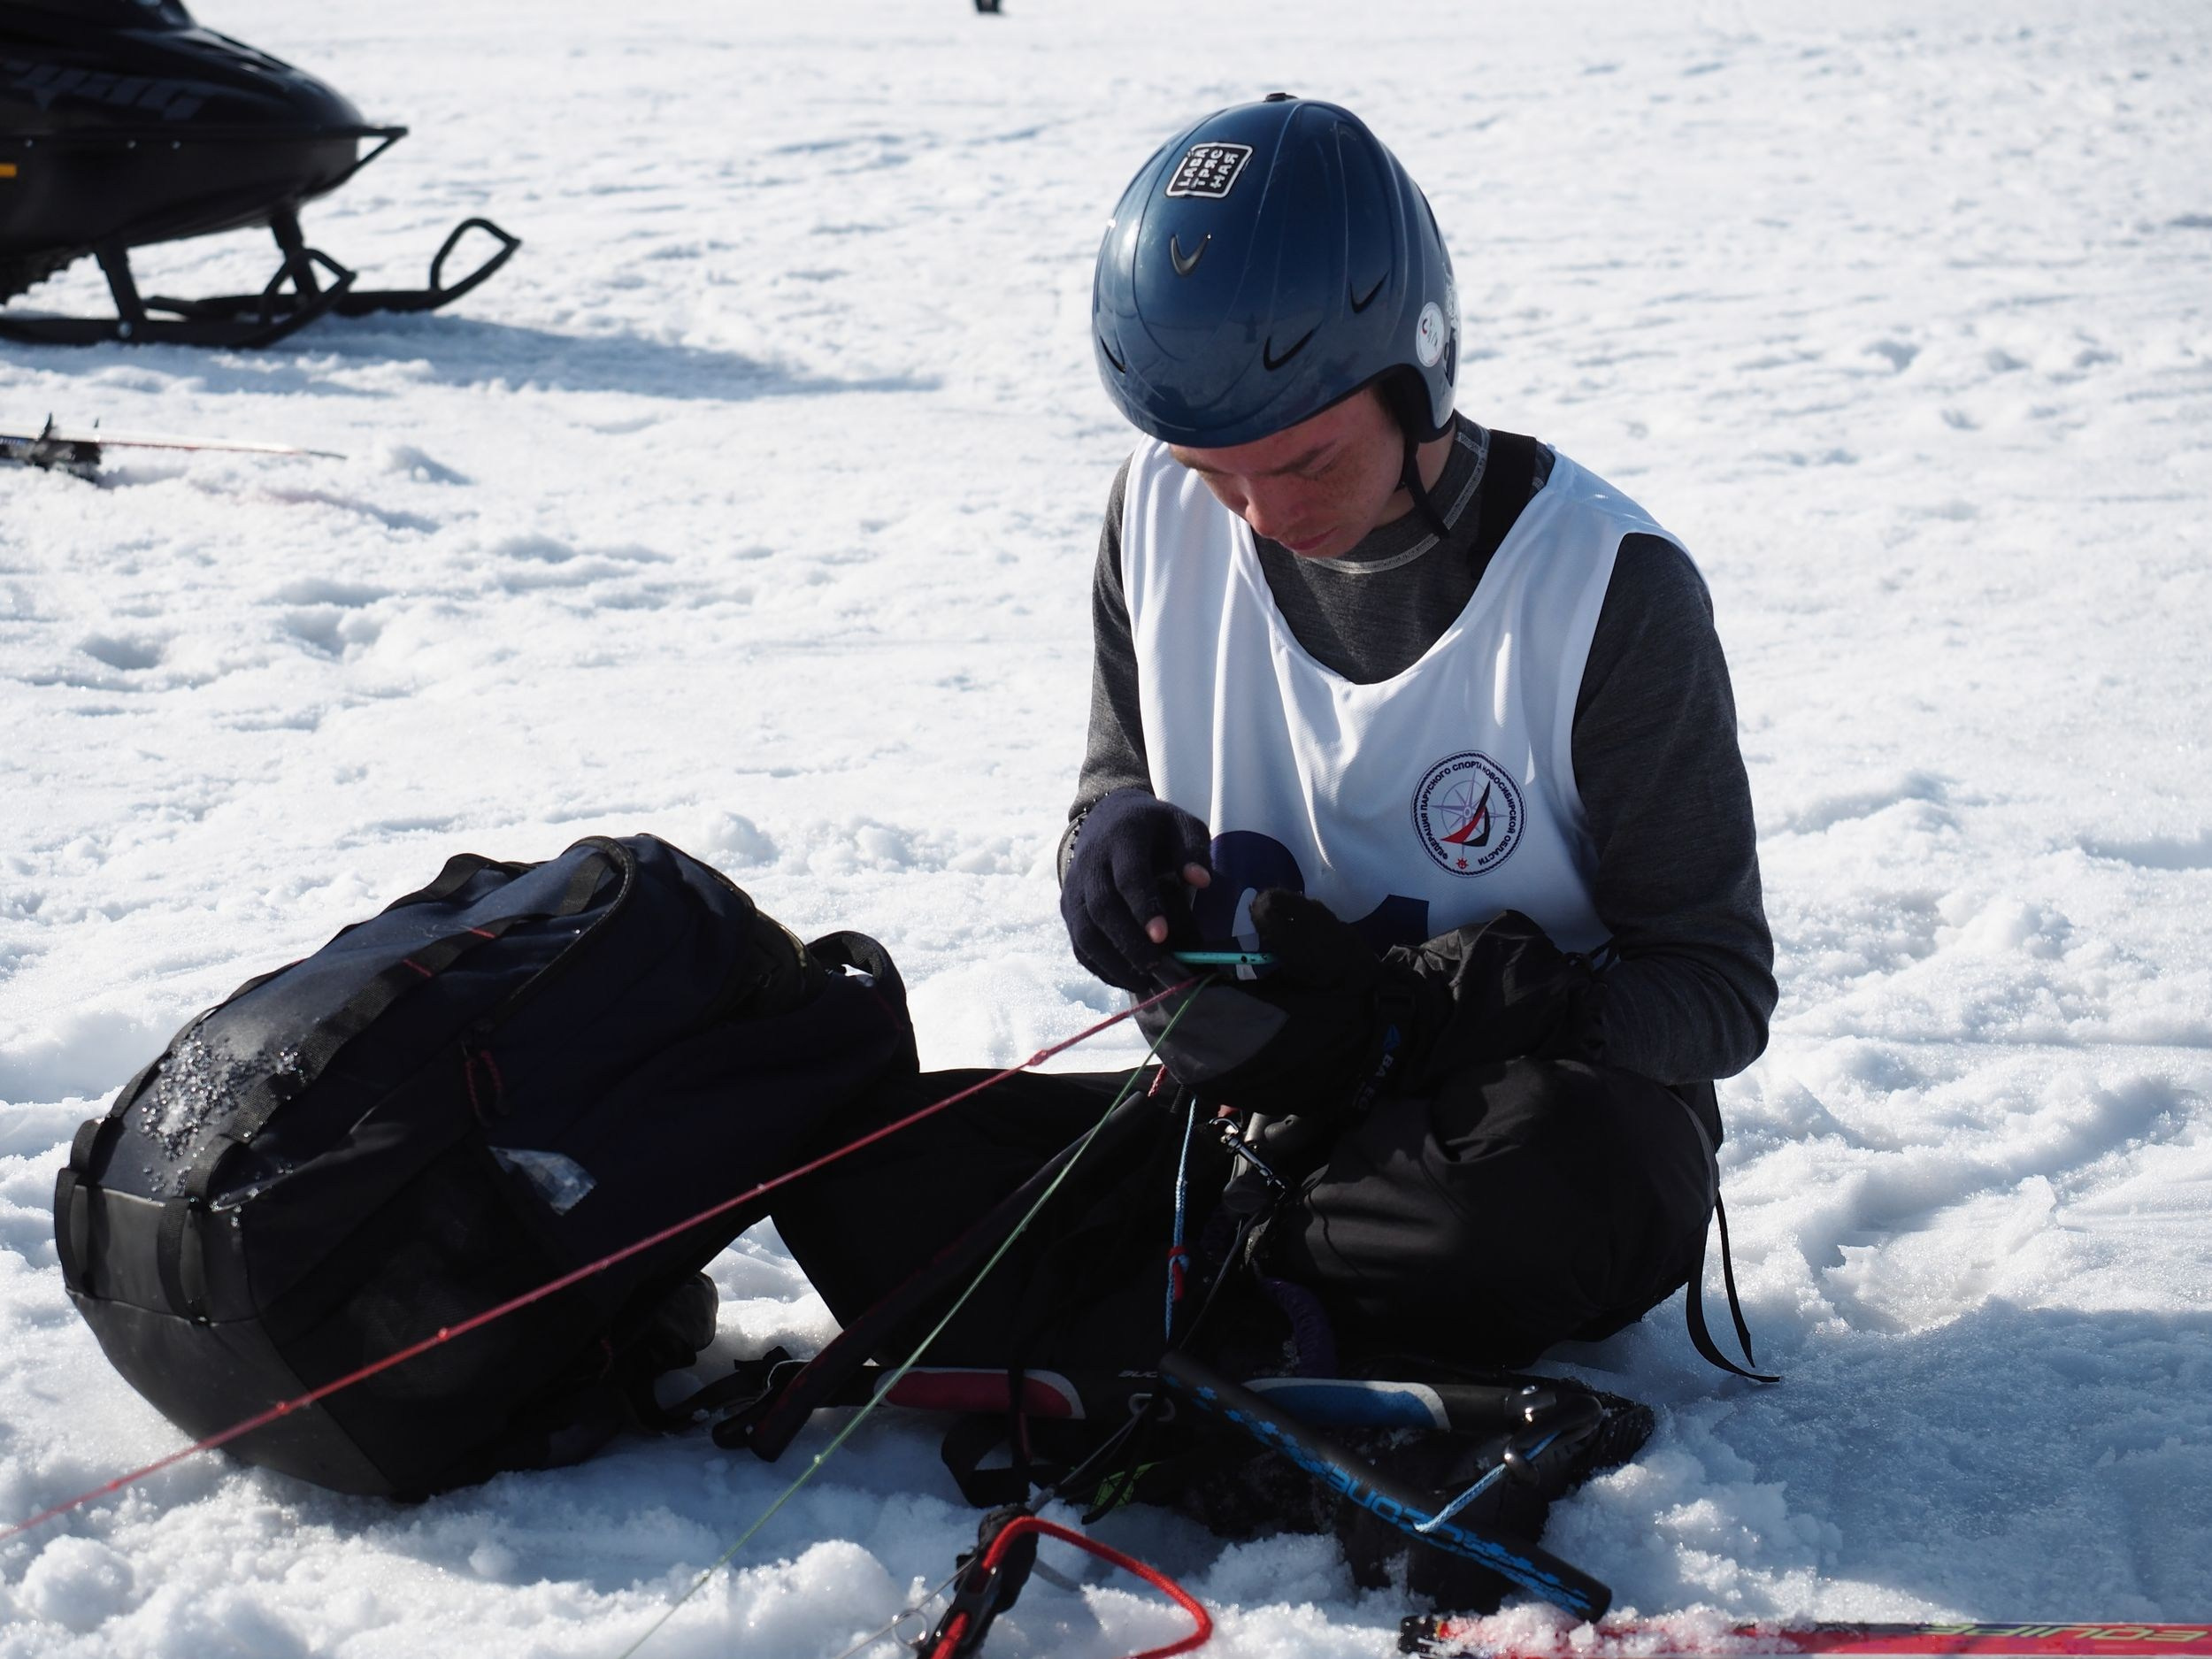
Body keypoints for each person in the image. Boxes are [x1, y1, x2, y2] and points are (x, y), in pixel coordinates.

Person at [773, 96, 1774, 1400]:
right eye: (1214, 471)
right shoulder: (1153, 514)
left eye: (1303, 462)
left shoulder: (1604, 588)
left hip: (1502, 1141)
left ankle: (1190, 1305)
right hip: (1247, 1127)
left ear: (1419, 374)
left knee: (1540, 1190)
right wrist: (1107, 849)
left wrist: (1423, 1016)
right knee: (859, 1174)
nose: (1258, 513)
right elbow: (1113, 786)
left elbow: (1715, 990)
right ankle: (1261, 1305)